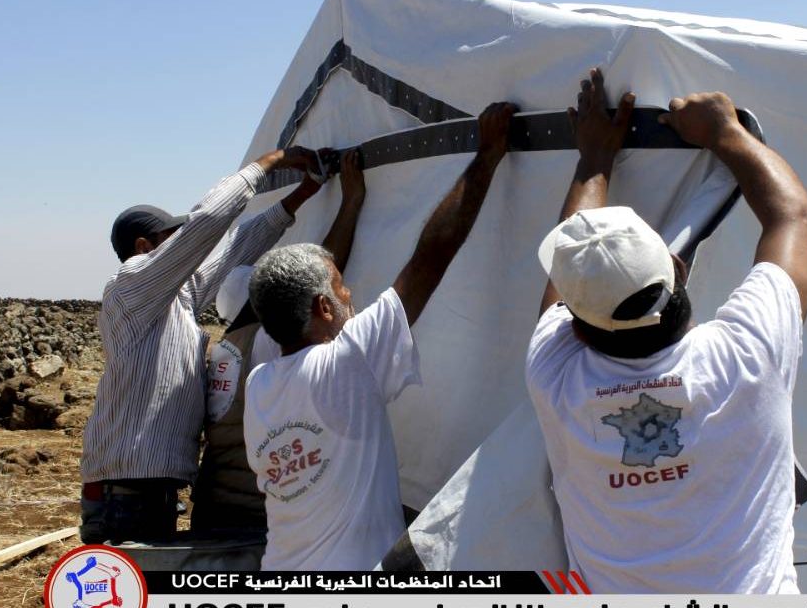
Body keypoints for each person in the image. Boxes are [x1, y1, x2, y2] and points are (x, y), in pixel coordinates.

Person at [525, 68, 807, 593]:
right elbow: (793, 219)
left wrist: (594, 159)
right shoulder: (747, 355)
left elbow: (566, 276)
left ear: (577, 324)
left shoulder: (554, 375)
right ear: (678, 271)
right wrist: (725, 131)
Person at [243, 102, 518, 570]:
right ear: (324, 307)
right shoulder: (347, 363)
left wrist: (350, 204)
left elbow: (303, 293)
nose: (352, 292)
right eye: (341, 286)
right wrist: (487, 155)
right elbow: (432, 256)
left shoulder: (260, 383)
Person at [80, 146, 327, 544]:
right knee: (128, 600)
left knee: (147, 598)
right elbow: (208, 222)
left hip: (144, 491)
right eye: (171, 239)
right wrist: (270, 163)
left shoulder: (177, 297)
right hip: (125, 494)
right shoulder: (131, 285)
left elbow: (235, 246)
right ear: (144, 249)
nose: (184, 246)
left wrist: (303, 193)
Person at [192, 151, 368, 535]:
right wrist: (351, 202)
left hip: (212, 505)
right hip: (255, 517)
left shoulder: (227, 347)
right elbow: (321, 277)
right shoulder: (267, 344)